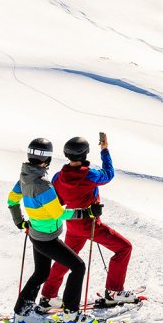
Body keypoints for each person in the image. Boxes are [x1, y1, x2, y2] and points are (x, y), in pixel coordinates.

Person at [38, 132, 136, 309]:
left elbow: (58, 201)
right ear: (85, 154)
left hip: (73, 226)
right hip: (91, 225)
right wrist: (105, 151)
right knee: (124, 248)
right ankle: (114, 291)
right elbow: (108, 174)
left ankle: (48, 296)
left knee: (65, 259)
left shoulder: (58, 177)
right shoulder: (89, 175)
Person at [6, 137, 94, 323]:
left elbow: (12, 201)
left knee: (41, 272)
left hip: (36, 235)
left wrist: (20, 223)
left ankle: (22, 313)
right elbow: (59, 213)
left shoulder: (24, 177)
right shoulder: (42, 184)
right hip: (47, 238)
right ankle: (71, 314)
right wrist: (86, 212)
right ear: (48, 159)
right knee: (78, 267)